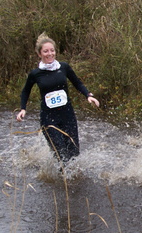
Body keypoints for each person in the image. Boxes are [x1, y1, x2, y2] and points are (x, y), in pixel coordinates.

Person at [16, 32, 99, 164]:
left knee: (74, 152)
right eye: (46, 51)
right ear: (39, 54)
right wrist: (23, 109)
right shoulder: (36, 74)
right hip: (48, 118)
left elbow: (77, 82)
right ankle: (62, 180)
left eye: (52, 50)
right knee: (60, 153)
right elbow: (25, 91)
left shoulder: (64, 67)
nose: (49, 54)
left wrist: (88, 95)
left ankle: (72, 181)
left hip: (67, 115)